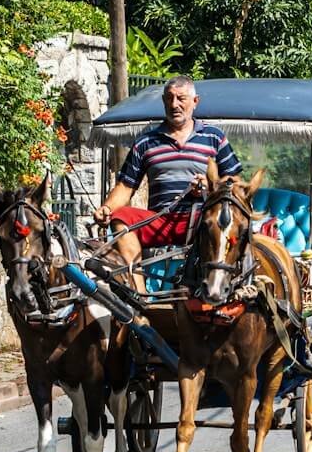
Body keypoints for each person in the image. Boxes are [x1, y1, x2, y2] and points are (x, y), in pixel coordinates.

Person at [92, 76, 242, 291]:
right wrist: (107, 208)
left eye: (181, 98)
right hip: (160, 220)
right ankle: (138, 295)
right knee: (120, 218)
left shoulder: (214, 137)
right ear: (163, 101)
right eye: (169, 99)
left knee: (225, 224)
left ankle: (220, 288)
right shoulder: (146, 142)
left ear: (195, 101)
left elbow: (234, 181)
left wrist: (211, 186)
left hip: (203, 220)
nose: (175, 105)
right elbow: (126, 186)